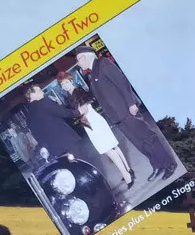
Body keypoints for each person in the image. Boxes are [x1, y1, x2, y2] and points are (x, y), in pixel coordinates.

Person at [74, 45, 177, 182]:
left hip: (126, 110)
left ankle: (168, 164)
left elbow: (122, 83)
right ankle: (157, 165)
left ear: (86, 56)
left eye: (78, 59)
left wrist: (131, 103)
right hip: (117, 117)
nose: (78, 63)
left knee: (148, 137)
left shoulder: (104, 63)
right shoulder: (92, 74)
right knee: (140, 143)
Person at [57, 71, 135, 188]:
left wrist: (74, 114)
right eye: (62, 84)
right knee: (112, 146)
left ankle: (127, 176)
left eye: (66, 82)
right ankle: (128, 170)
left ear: (71, 81)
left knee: (108, 149)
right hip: (90, 123)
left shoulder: (78, 91)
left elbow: (84, 110)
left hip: (93, 122)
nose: (65, 86)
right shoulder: (69, 96)